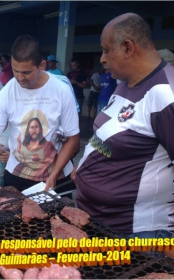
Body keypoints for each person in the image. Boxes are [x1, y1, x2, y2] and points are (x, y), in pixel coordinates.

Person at [74, 13, 174, 240]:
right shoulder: (125, 83)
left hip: (135, 231)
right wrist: (84, 163)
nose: (102, 58)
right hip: (97, 220)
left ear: (128, 48)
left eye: (107, 50)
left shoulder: (166, 95)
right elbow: (109, 132)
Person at [0, 34, 80, 197]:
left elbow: (73, 139)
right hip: (17, 177)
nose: (20, 78)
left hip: (56, 177)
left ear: (42, 65)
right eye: (16, 71)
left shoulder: (61, 91)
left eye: (27, 72)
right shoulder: (6, 93)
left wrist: (55, 173)